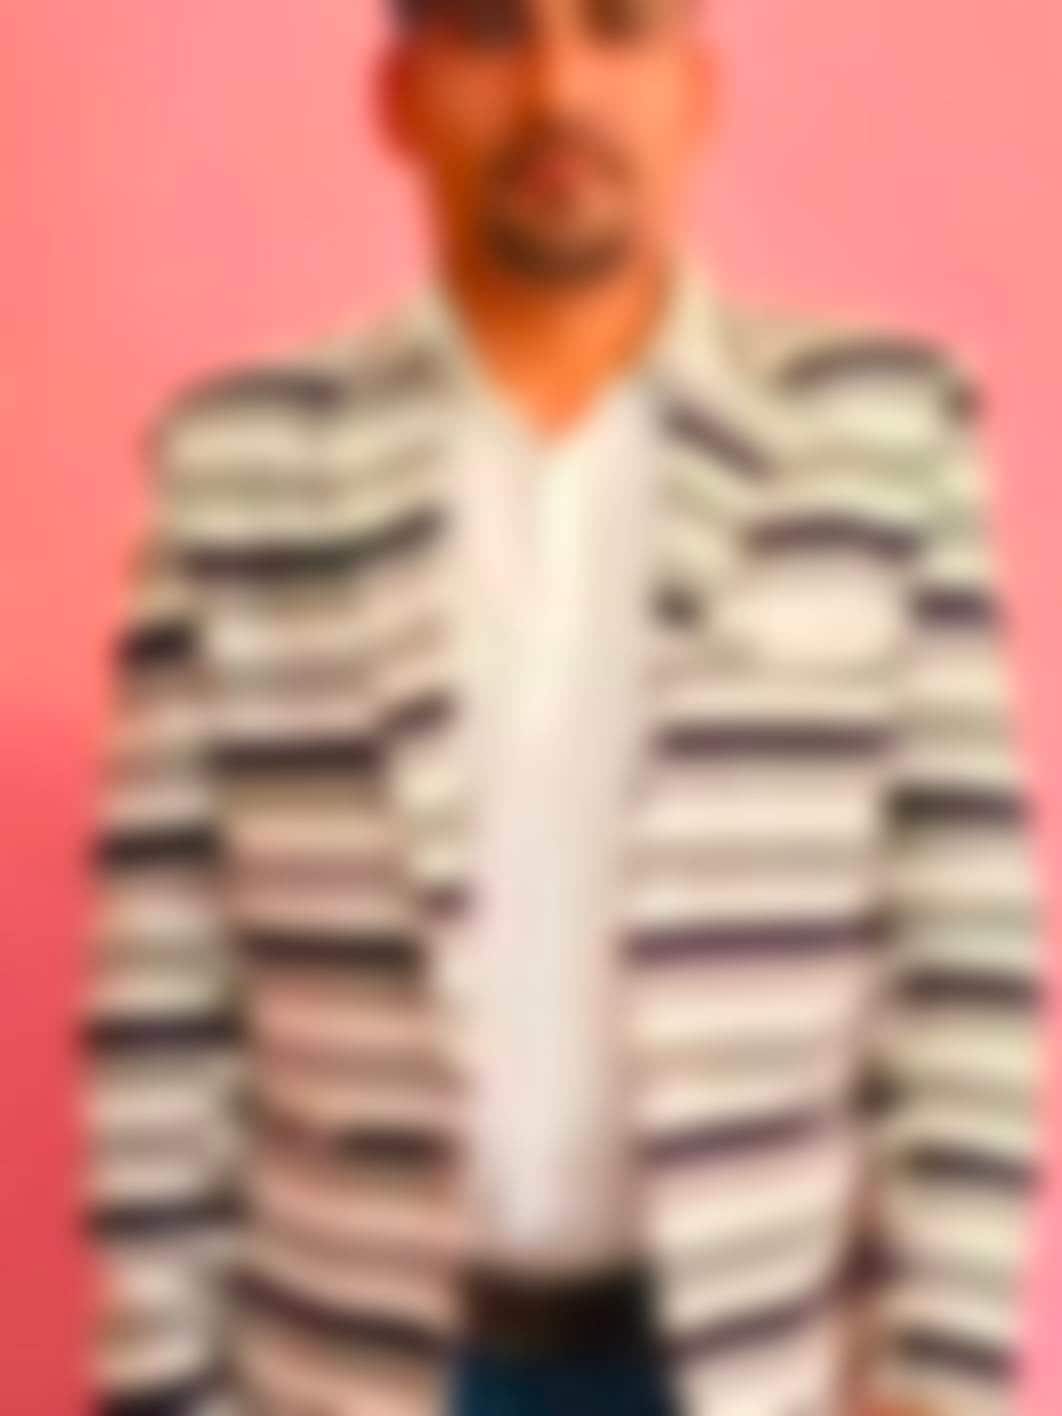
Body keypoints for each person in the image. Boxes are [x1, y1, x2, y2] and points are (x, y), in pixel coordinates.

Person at [81, 2, 1045, 1413]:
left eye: (616, 26)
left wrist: (942, 1383)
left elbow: (961, 967)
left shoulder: (875, 440)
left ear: (695, 89)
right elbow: (162, 1004)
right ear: (398, 97)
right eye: (491, 30)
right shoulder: (240, 467)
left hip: (752, 1369)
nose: (556, 86)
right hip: (349, 1367)